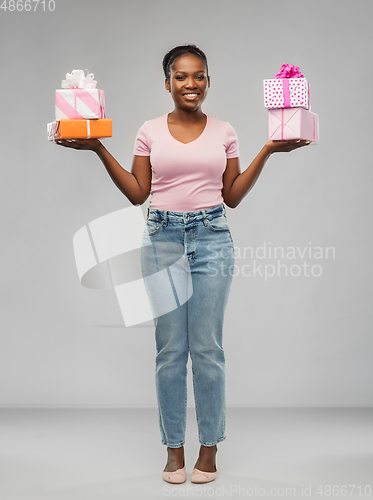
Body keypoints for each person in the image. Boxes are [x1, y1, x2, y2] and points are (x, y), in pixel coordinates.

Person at [55, 44, 310, 484]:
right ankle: (174, 451)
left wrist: (268, 149)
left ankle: (208, 450)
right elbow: (138, 192)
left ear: (208, 80)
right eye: (181, 77)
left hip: (213, 238)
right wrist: (97, 148)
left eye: (199, 76)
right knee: (171, 351)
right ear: (168, 82)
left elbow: (231, 196)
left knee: (207, 349)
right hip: (162, 239)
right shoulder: (150, 130)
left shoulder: (225, 130)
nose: (191, 84)